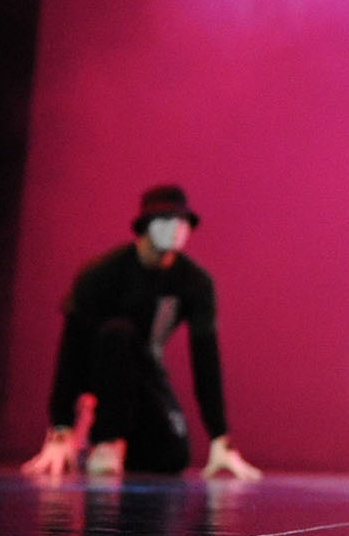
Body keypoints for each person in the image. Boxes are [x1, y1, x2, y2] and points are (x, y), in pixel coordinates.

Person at [21, 185, 259, 481]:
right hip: (99, 377)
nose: (176, 229)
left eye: (182, 221)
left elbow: (205, 359)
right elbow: (71, 350)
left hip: (144, 373)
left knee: (173, 456)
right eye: (166, 220)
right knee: (118, 333)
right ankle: (104, 438)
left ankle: (113, 444)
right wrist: (61, 426)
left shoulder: (194, 282)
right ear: (146, 226)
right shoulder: (102, 274)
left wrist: (220, 437)